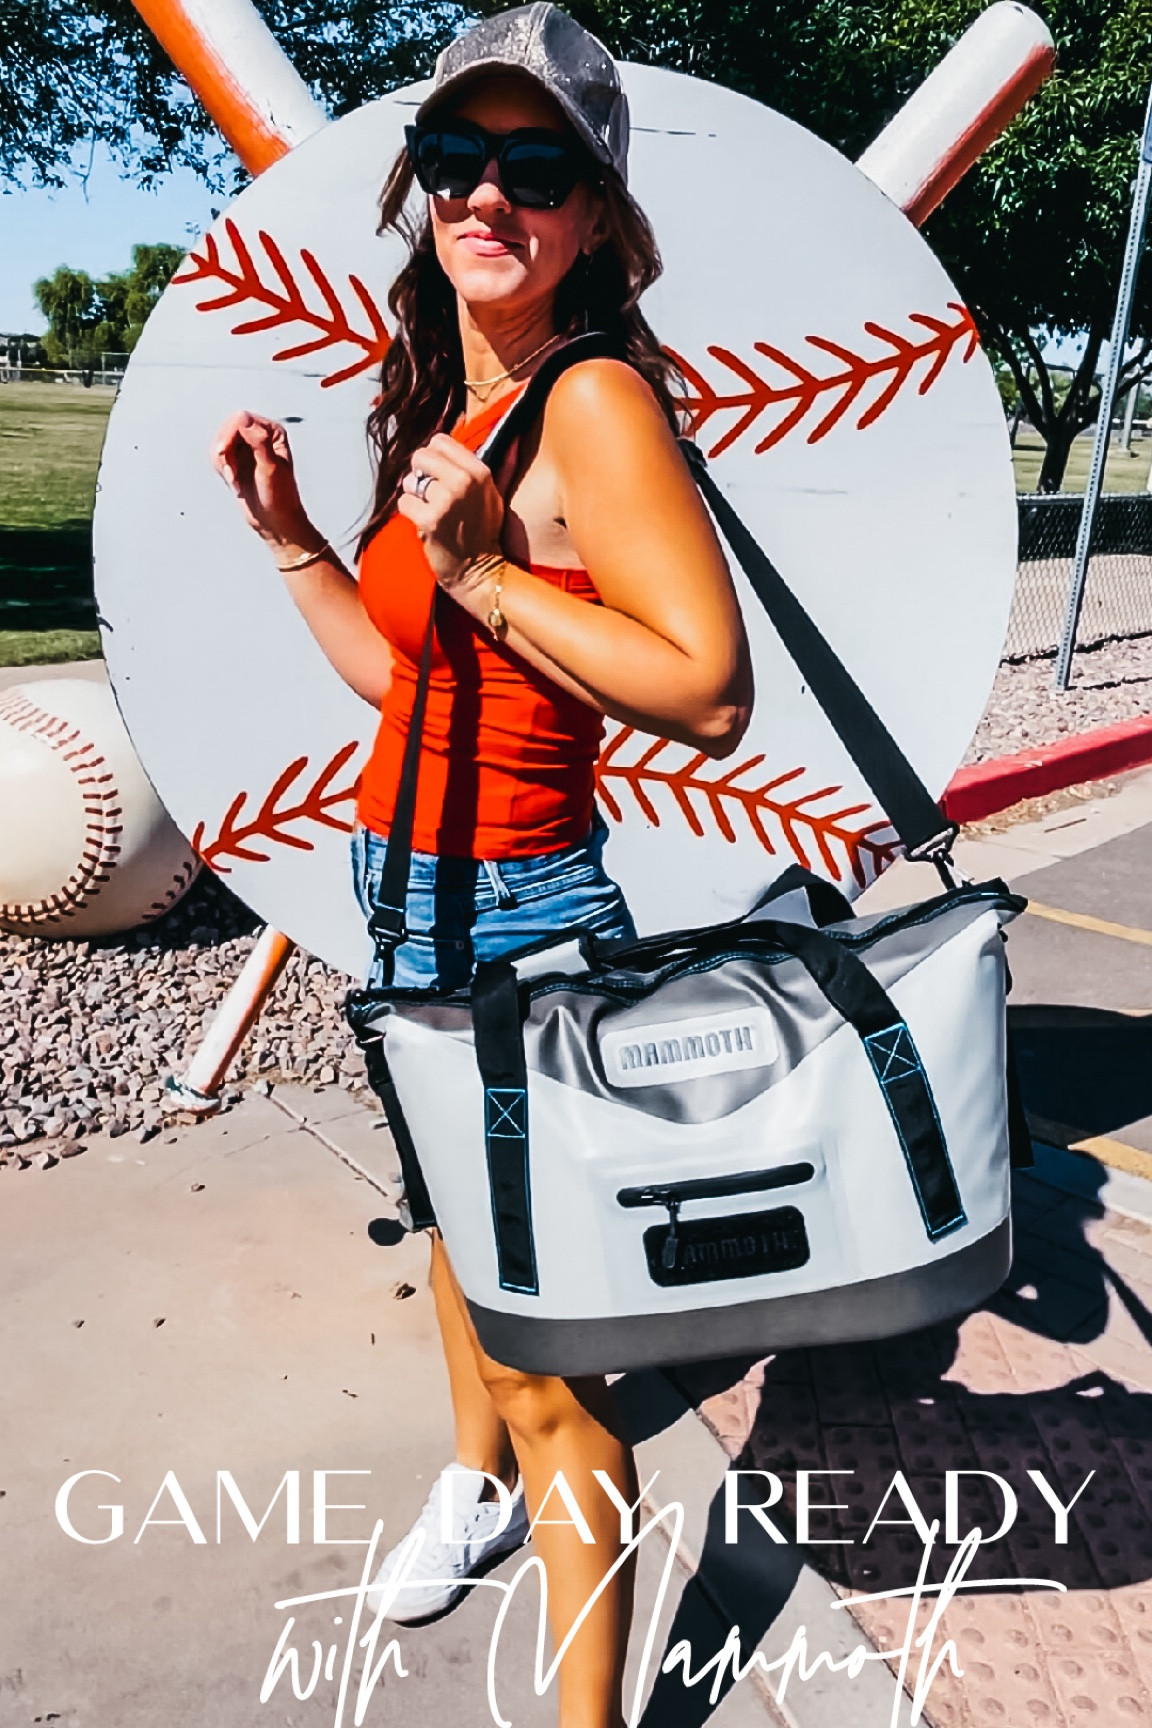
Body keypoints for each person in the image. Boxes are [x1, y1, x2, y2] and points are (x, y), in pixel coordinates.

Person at [211, 6, 752, 1722]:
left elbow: (710, 691)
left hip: (520, 916)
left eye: (536, 167)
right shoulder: (465, 401)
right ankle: (475, 1486)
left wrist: (486, 574)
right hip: (410, 888)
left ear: (597, 215)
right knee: (455, 1236)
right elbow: (409, 690)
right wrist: (299, 542)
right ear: (419, 188)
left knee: (556, 1377)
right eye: (456, 158)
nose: (488, 196)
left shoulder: (593, 402)